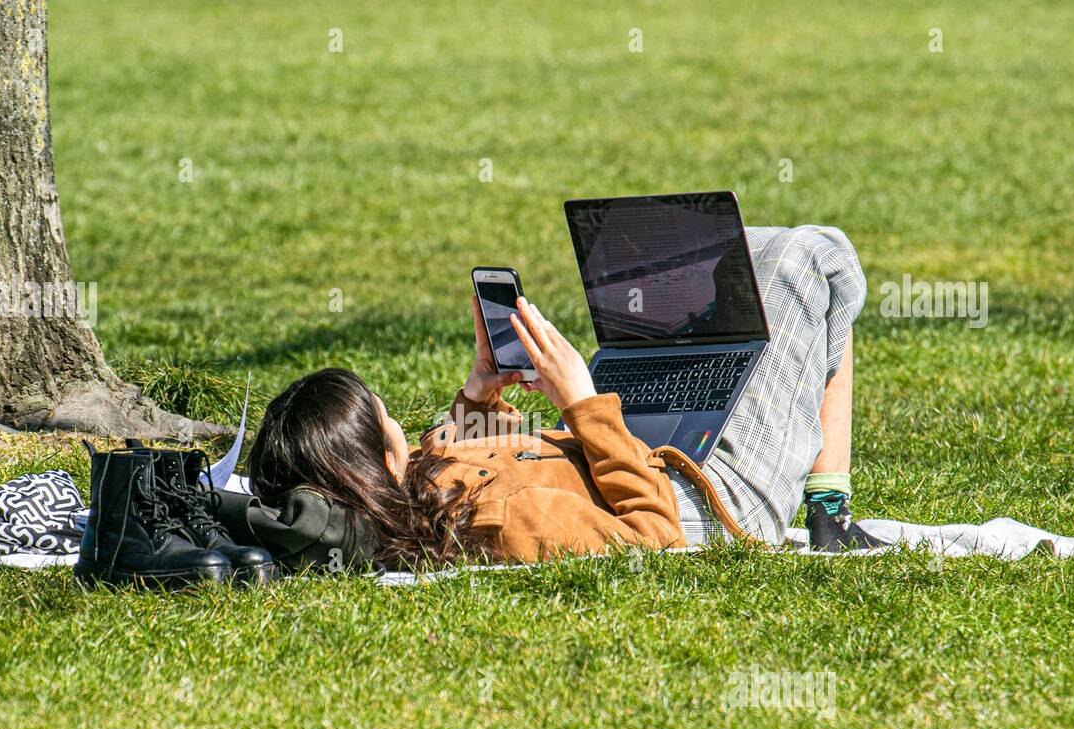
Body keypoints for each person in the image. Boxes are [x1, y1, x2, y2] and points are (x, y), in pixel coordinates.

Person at [230, 226, 884, 571]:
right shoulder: (509, 522)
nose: (396, 417)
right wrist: (581, 403)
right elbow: (652, 537)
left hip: (639, 453)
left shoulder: (415, 493)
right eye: (383, 417)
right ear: (372, 458)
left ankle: (829, 511)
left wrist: (480, 394)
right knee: (814, 254)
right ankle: (829, 516)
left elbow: (464, 454)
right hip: (712, 499)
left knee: (733, 255)